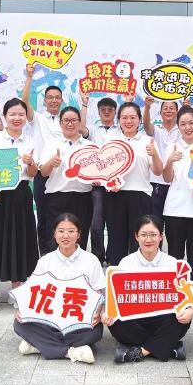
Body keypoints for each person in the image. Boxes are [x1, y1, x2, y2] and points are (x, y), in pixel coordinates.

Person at [14, 213, 105, 364]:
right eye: (61, 231)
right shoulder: (45, 261)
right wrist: (22, 310)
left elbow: (99, 293)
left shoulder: (91, 260)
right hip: (49, 320)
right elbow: (32, 292)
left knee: (95, 332)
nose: (65, 236)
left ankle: (38, 345)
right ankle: (71, 352)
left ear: (79, 234)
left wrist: (97, 313)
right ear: (54, 234)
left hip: (78, 321)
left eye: (71, 231)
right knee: (20, 324)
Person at [102, 215, 193, 363]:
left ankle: (141, 351)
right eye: (144, 235)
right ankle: (168, 347)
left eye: (153, 235)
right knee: (116, 322)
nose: (148, 239)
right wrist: (107, 313)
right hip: (135, 320)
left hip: (163, 319)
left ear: (161, 236)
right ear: (136, 236)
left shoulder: (172, 263)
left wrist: (191, 310)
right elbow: (115, 297)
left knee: (182, 319)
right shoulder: (126, 263)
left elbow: (187, 297)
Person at [0, 98, 39, 312]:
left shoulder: (30, 141)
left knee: (18, 240)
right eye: (12, 114)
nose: (17, 118)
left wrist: (30, 162)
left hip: (20, 194)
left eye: (21, 114)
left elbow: (32, 174)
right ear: (4, 117)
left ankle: (17, 288)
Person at [104, 102, 164, 265]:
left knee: (139, 238)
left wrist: (155, 155)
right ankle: (117, 272)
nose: (128, 121)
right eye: (124, 118)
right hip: (115, 195)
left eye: (132, 117)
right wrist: (109, 183)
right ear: (118, 120)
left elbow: (158, 171)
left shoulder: (147, 141)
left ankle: (138, 273)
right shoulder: (111, 140)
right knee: (116, 238)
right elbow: (104, 169)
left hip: (141, 196)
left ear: (139, 120)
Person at [161, 106, 193, 284]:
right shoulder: (172, 148)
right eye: (183, 124)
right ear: (178, 126)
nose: (187, 127)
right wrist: (169, 161)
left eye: (191, 123)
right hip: (174, 210)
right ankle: (175, 291)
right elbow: (167, 178)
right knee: (175, 255)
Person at [22, 63, 65, 255]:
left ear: (62, 100)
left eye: (57, 97)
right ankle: (45, 255)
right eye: (50, 97)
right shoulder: (38, 119)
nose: (54, 100)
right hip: (42, 174)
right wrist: (29, 78)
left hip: (64, 174)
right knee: (43, 215)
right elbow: (24, 103)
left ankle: (63, 252)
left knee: (62, 216)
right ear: (45, 100)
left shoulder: (67, 120)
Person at [39, 106, 94, 254]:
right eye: (66, 120)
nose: (70, 124)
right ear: (60, 123)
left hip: (83, 198)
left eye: (74, 120)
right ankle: (55, 267)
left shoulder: (90, 146)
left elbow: (97, 174)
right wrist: (52, 162)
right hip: (56, 197)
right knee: (55, 237)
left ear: (79, 122)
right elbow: (43, 172)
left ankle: (78, 267)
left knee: (80, 236)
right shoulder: (51, 144)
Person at [80, 95, 119, 264]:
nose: (107, 112)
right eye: (103, 110)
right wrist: (84, 104)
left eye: (110, 110)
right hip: (97, 185)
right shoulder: (93, 129)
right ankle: (97, 256)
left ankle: (112, 257)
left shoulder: (121, 130)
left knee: (114, 223)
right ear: (98, 112)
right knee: (96, 224)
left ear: (115, 112)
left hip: (117, 185)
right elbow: (80, 129)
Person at [143, 97, 180, 222]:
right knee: (155, 221)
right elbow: (146, 125)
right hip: (156, 182)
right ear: (160, 112)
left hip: (176, 182)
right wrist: (147, 107)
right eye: (165, 108)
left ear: (177, 112)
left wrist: (187, 109)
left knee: (173, 223)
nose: (168, 111)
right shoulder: (156, 130)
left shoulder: (182, 131)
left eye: (172, 108)